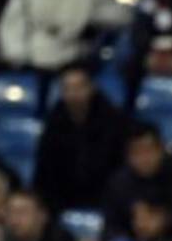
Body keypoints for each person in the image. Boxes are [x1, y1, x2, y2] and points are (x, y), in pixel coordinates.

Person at [33, 63, 130, 213]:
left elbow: (118, 168)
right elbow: (44, 172)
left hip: (104, 200)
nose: (73, 94)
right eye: (67, 89)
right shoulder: (53, 124)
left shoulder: (113, 122)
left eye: (79, 87)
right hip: (61, 203)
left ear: (91, 88)